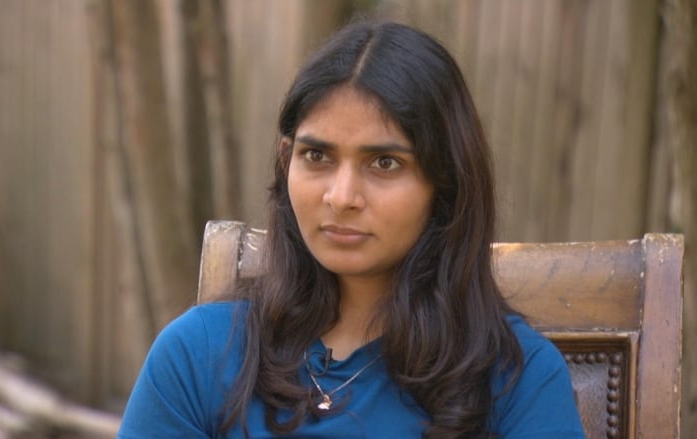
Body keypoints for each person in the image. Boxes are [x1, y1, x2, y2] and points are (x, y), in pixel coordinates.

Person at [118, 20, 586, 439]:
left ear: (445, 182)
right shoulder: (199, 355)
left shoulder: (516, 380)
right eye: (316, 156)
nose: (341, 196)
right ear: (286, 163)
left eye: (385, 162)